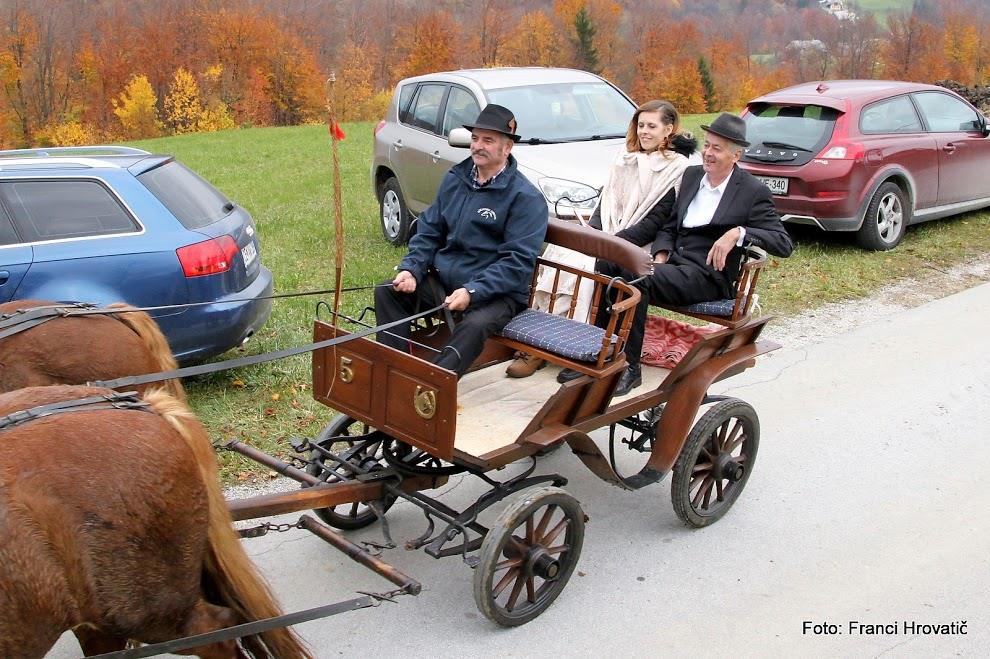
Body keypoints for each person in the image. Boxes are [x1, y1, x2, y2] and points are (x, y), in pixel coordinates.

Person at [559, 112, 794, 395]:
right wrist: (661, 252)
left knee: (636, 276)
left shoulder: (752, 191)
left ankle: (630, 367)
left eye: (717, 149)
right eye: (707, 145)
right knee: (609, 262)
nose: (708, 153)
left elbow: (783, 243)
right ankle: (600, 352)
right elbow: (669, 224)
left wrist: (738, 233)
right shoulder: (692, 176)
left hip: (708, 275)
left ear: (736, 155)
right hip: (673, 266)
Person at [506, 99, 697, 378]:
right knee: (560, 254)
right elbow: (605, 203)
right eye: (641, 125)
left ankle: (576, 344)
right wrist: (592, 234)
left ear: (668, 129)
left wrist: (609, 244)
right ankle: (540, 339)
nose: (644, 131)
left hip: (635, 243)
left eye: (652, 126)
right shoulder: (625, 156)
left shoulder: (676, 167)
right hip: (607, 233)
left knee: (588, 266)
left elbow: (655, 221)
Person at [374, 104, 547, 377]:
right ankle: (392, 371)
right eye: (475, 138)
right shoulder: (456, 178)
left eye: (488, 140)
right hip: (446, 283)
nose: (478, 146)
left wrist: (472, 291)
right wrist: (412, 269)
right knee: (388, 291)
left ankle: (431, 384)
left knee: (473, 327)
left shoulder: (525, 198)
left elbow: (517, 263)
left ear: (507, 147)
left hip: (497, 296)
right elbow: (429, 230)